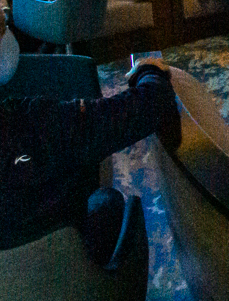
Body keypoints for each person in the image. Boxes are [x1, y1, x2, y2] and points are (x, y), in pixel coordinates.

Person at [0, 45, 180, 267]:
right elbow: (150, 105)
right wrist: (149, 71)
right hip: (65, 270)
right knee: (107, 201)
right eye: (2, 30)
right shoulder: (28, 126)